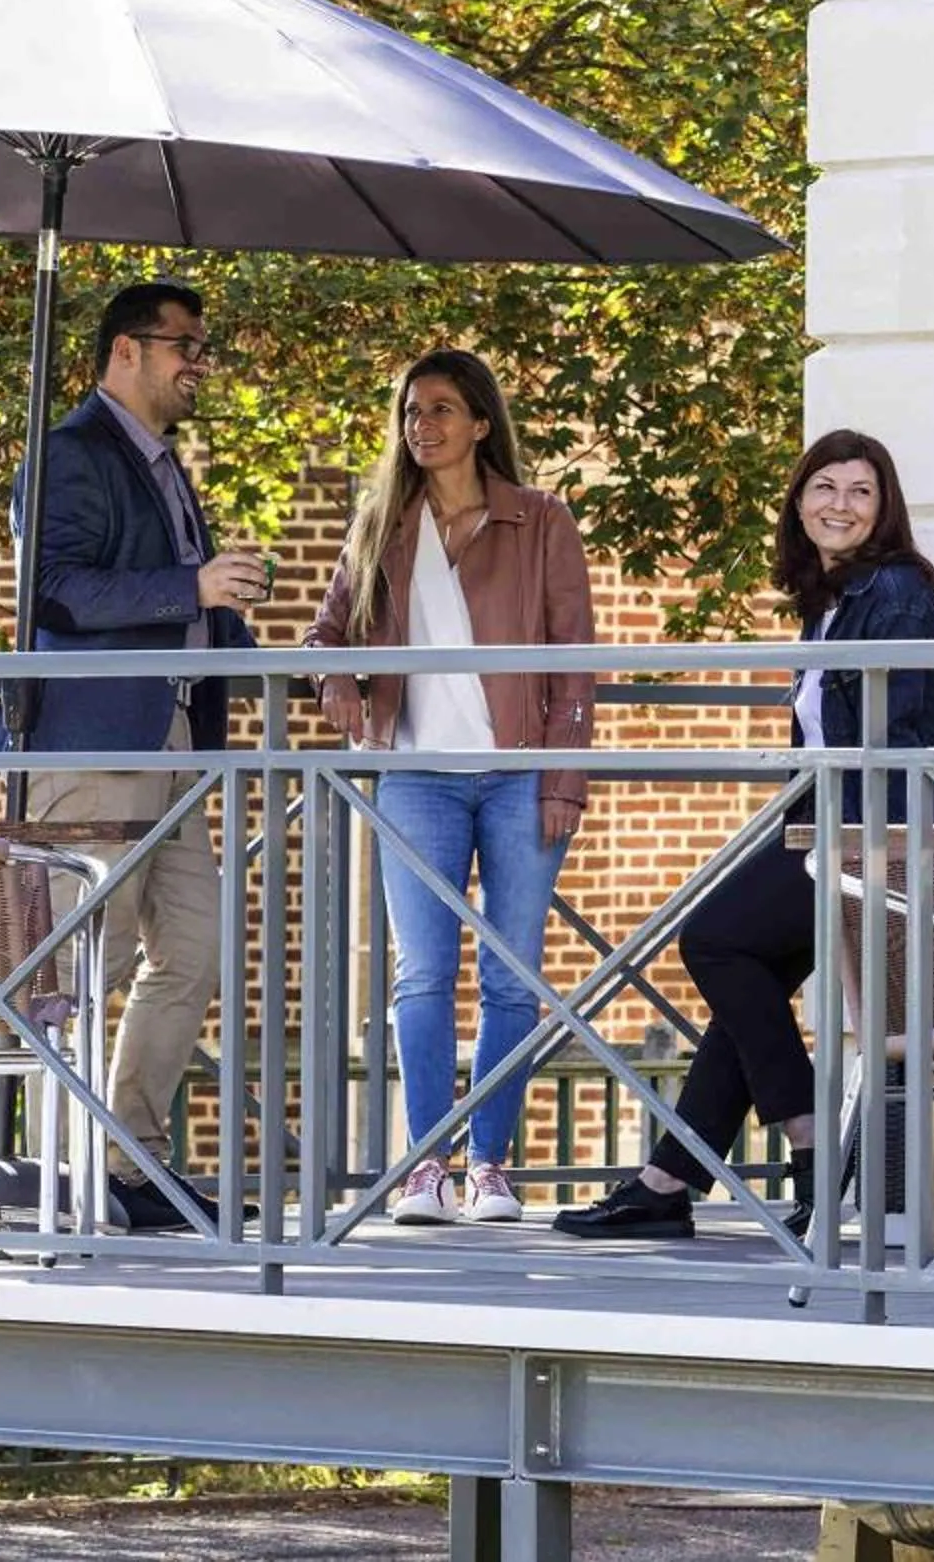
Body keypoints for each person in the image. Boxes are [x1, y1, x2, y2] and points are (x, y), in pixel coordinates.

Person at [554, 429, 934, 1243]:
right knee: (752, 985)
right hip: (830, 822)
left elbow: (893, 734)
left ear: (884, 511)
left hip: (877, 828)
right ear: (800, 499)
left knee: (713, 940)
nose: (838, 505)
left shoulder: (897, 595)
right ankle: (668, 1180)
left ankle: (810, 1144)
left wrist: (812, 834)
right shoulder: (835, 601)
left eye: (860, 493)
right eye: (825, 487)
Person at [306, 349, 594, 1227]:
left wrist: (562, 781)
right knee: (421, 976)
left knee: (512, 977)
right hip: (416, 778)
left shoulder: (540, 521)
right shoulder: (382, 524)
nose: (420, 425)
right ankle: (425, 1167)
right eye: (409, 412)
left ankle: (490, 1165)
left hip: (518, 779)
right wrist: (342, 691)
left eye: (439, 409)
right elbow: (325, 639)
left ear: (478, 422)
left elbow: (575, 665)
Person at [19, 280, 269, 1233]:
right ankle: (64, 1167)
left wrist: (275, 655)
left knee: (193, 952)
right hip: (92, 743)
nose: (198, 361)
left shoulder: (168, 466)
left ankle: (128, 1161)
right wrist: (191, 582)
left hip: (176, 747)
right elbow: (54, 590)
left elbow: (185, 604)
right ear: (126, 350)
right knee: (89, 961)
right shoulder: (71, 453)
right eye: (185, 344)